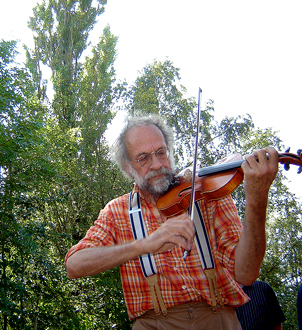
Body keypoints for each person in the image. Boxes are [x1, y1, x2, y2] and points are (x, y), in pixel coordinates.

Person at [65, 113, 279, 329]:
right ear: (128, 166)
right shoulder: (117, 211)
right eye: (143, 158)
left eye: (161, 152)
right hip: (153, 324)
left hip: (218, 320)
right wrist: (143, 245)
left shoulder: (208, 193)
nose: (157, 164)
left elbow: (246, 273)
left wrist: (257, 200)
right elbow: (74, 265)